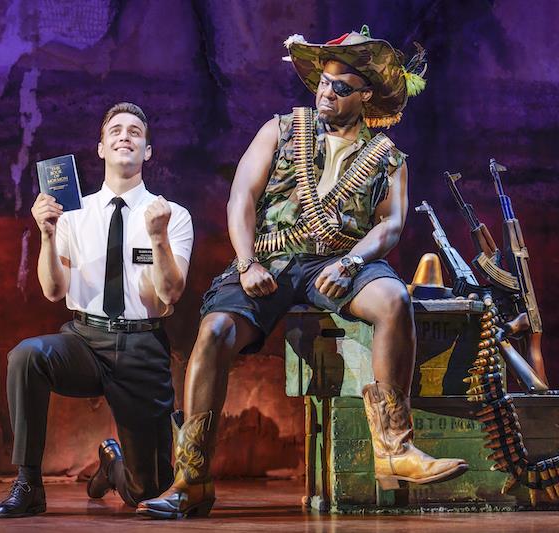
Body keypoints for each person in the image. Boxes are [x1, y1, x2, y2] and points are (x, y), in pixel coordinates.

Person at [137, 27, 467, 519]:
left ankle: (394, 449)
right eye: (323, 82)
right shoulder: (280, 129)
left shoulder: (387, 157)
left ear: (365, 96)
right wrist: (246, 262)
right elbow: (242, 197)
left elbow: (391, 224)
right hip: (270, 257)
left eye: (340, 87)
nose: (326, 92)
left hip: (338, 262)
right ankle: (192, 478)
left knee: (394, 300)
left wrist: (352, 262)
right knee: (215, 331)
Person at [0, 102, 194, 518]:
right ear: (101, 148)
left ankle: (112, 462)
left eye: (135, 131)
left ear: (148, 151)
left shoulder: (171, 215)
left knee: (146, 492)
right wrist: (47, 234)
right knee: (27, 356)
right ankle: (28, 483)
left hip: (142, 346)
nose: (125, 136)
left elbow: (171, 293)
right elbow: (53, 291)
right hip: (86, 341)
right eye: (115, 130)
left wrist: (157, 238)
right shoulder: (72, 214)